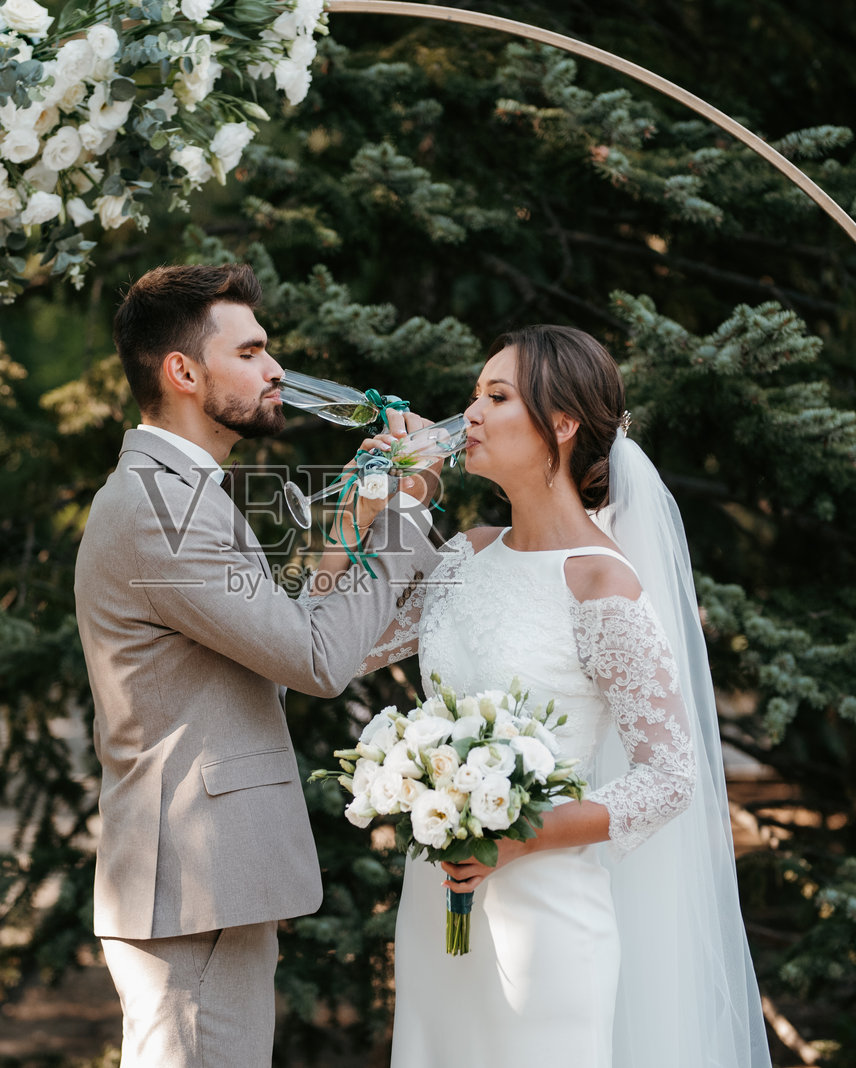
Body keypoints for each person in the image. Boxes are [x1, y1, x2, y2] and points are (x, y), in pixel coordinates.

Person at [310, 324, 770, 1066]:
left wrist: (517, 836)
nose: (472, 417)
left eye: (497, 397)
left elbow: (670, 776)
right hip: (438, 906)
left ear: (562, 425)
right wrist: (367, 510)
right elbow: (334, 643)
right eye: (473, 396)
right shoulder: (465, 553)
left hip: (546, 919)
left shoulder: (600, 583)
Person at [73, 263, 445, 1068]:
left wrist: (366, 510)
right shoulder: (153, 506)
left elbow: (276, 643)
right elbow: (316, 658)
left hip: (204, 889)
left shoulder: (184, 492)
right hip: (192, 890)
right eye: (252, 351)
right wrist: (410, 512)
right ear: (183, 371)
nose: (276, 370)